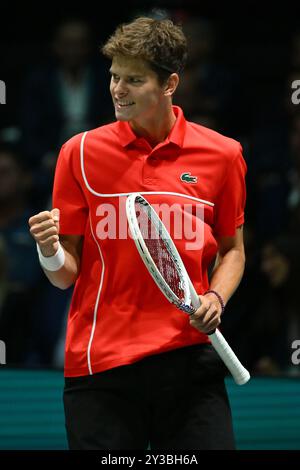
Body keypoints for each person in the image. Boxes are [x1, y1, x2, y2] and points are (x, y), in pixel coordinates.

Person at [28, 16, 247, 450]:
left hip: (188, 359)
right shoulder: (80, 152)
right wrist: (48, 250)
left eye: (133, 79)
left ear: (169, 85)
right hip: (102, 366)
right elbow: (64, 275)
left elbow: (233, 250)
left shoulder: (223, 154)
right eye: (113, 76)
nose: (117, 89)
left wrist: (215, 297)